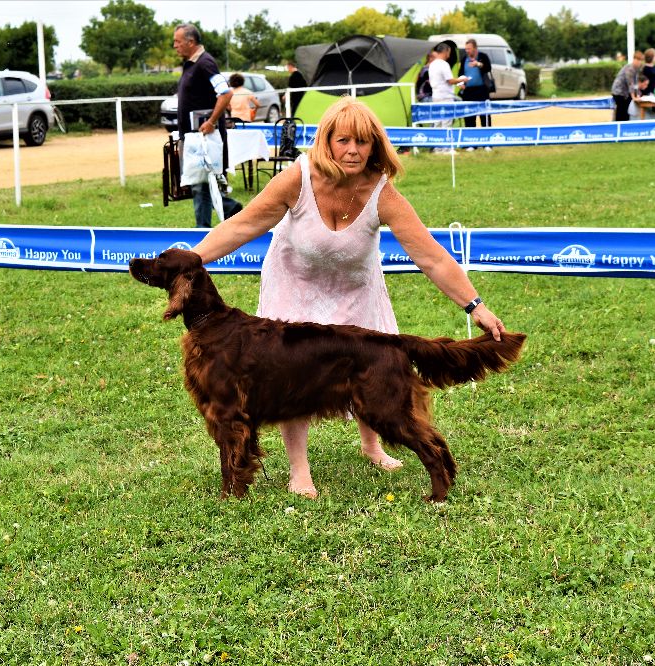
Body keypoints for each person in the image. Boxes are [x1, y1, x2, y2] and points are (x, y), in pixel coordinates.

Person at [189, 97, 508, 499]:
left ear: (375, 145)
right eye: (343, 141)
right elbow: (243, 225)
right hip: (296, 283)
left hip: (355, 288)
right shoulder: (298, 177)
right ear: (327, 142)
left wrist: (475, 306)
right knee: (290, 374)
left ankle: (372, 445)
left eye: (363, 141)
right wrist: (191, 261)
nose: (353, 150)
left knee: (371, 369)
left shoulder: (382, 192)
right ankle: (299, 470)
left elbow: (430, 255)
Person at [174, 23, 242, 227]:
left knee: (200, 184)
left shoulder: (205, 63)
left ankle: (203, 228)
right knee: (201, 184)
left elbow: (226, 93)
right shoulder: (192, 63)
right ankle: (230, 209)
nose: (175, 46)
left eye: (177, 41)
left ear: (190, 42)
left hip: (203, 137)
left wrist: (212, 121)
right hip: (194, 136)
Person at [429, 44, 469, 131]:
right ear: (445, 51)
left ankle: (436, 143)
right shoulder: (444, 64)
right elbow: (450, 81)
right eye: (449, 52)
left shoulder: (432, 65)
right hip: (445, 97)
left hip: (436, 96)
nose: (449, 55)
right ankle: (445, 144)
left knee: (437, 122)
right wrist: (462, 80)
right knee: (446, 123)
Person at [460, 38, 494, 128]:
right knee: (469, 117)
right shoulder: (464, 59)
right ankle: (471, 137)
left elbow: (488, 68)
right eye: (466, 49)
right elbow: (460, 73)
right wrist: (461, 83)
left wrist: (478, 64)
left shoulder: (483, 56)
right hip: (468, 92)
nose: (467, 51)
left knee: (484, 116)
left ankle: (487, 135)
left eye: (469, 49)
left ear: (475, 48)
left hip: (482, 91)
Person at [611, 51, 644, 121]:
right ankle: (619, 125)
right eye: (638, 60)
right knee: (621, 111)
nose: (639, 62)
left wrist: (638, 94)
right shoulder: (630, 69)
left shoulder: (636, 69)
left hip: (624, 92)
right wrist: (634, 97)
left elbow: (635, 84)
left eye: (640, 60)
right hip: (619, 92)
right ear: (634, 59)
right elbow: (630, 84)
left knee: (625, 111)